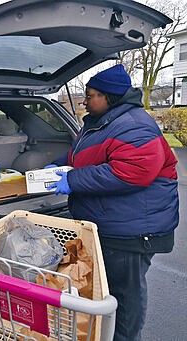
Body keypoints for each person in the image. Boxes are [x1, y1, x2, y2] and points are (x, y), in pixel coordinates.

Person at [46, 64, 179, 341]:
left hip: (134, 230)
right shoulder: (102, 121)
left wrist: (74, 180)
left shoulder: (134, 124)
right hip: (113, 224)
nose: (85, 100)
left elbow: (132, 171)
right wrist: (57, 168)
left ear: (109, 96)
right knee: (106, 291)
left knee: (125, 296)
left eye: (90, 94)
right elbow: (84, 158)